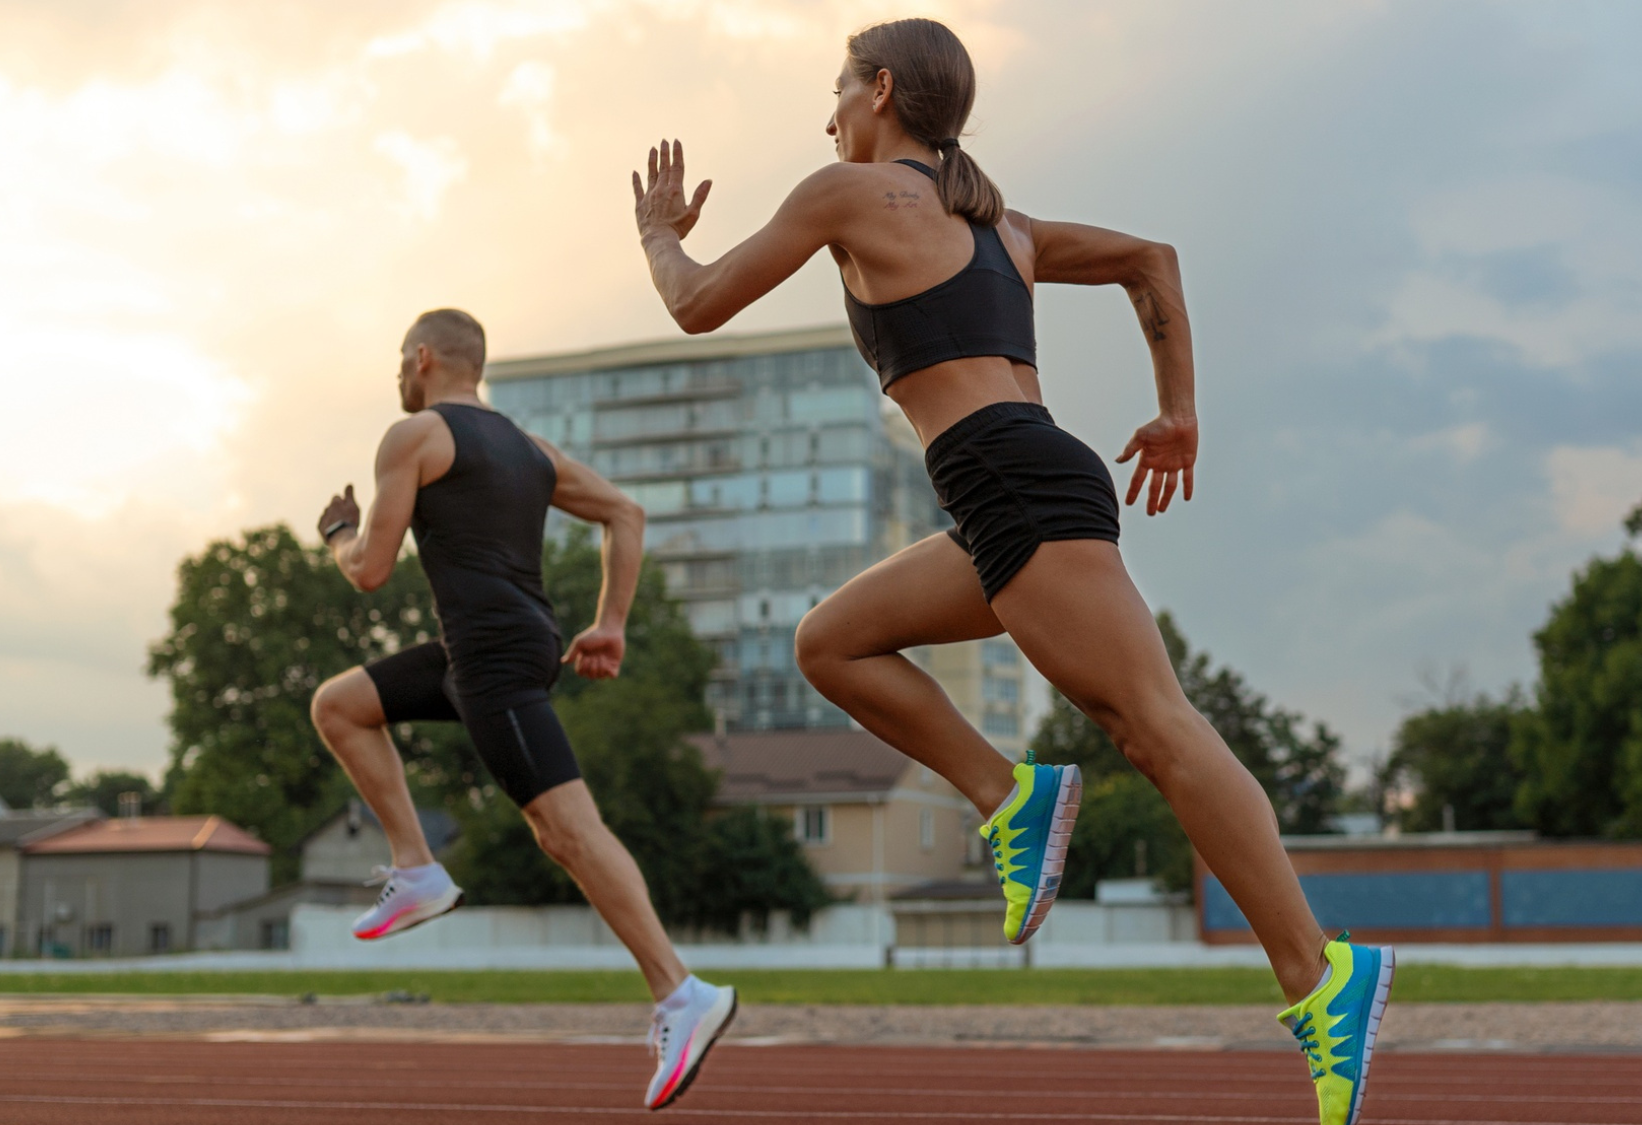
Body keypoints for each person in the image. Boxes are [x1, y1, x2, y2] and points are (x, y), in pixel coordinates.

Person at [630, 18, 1392, 1125]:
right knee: (830, 644)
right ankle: (1008, 793)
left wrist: (655, 232)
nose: (828, 115)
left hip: (1010, 483)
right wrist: (1176, 409)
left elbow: (693, 301)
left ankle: (1320, 975)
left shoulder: (846, 194)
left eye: (837, 91)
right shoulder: (1005, 227)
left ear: (881, 90)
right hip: (1008, 492)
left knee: (1155, 727)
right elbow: (1150, 260)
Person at [309, 309, 735, 1111]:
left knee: (567, 830)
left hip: (494, 659)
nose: (399, 373)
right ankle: (417, 868)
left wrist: (337, 531)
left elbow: (368, 569)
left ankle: (682, 992)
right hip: (490, 648)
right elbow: (626, 513)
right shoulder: (529, 449)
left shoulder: (414, 438)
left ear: (426, 357)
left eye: (403, 359)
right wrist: (609, 622)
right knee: (339, 705)